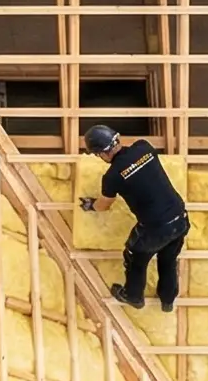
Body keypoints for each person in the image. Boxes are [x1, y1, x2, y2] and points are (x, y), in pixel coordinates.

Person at [79, 124, 189, 312]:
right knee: (168, 258)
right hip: (180, 218)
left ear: (102, 153)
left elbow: (104, 205)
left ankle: (133, 296)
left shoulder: (112, 176)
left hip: (156, 227)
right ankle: (168, 299)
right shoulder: (144, 147)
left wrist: (91, 205)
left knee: (134, 255)